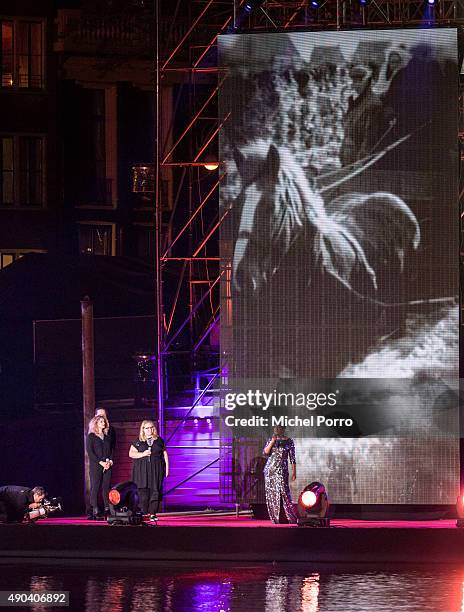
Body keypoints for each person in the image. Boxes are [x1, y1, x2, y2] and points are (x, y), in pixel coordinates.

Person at [129, 420, 169, 520]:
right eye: (147, 428)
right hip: (142, 470)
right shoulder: (138, 441)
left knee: (155, 491)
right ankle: (144, 513)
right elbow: (131, 454)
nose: (149, 430)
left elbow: (164, 454)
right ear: (143, 429)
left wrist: (167, 468)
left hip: (156, 469)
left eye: (151, 427)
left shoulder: (159, 440)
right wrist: (143, 454)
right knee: (143, 491)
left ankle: (152, 514)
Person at [263, 425, 298, 524]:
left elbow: (292, 458)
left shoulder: (289, 441)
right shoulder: (271, 440)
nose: (276, 430)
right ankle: (275, 518)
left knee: (285, 493)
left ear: (283, 429)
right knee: (272, 494)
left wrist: (294, 472)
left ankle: (290, 517)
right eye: (275, 428)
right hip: (270, 469)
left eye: (278, 428)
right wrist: (272, 442)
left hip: (282, 469)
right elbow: (265, 452)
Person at [86, 415, 113, 519]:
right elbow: (90, 452)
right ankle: (95, 509)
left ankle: (107, 508)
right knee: (95, 487)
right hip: (96, 465)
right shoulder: (91, 436)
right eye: (101, 421)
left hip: (107, 465)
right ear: (96, 423)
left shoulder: (107, 437)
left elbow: (111, 451)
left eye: (104, 421)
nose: (104, 423)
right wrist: (100, 462)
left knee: (106, 487)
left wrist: (110, 461)